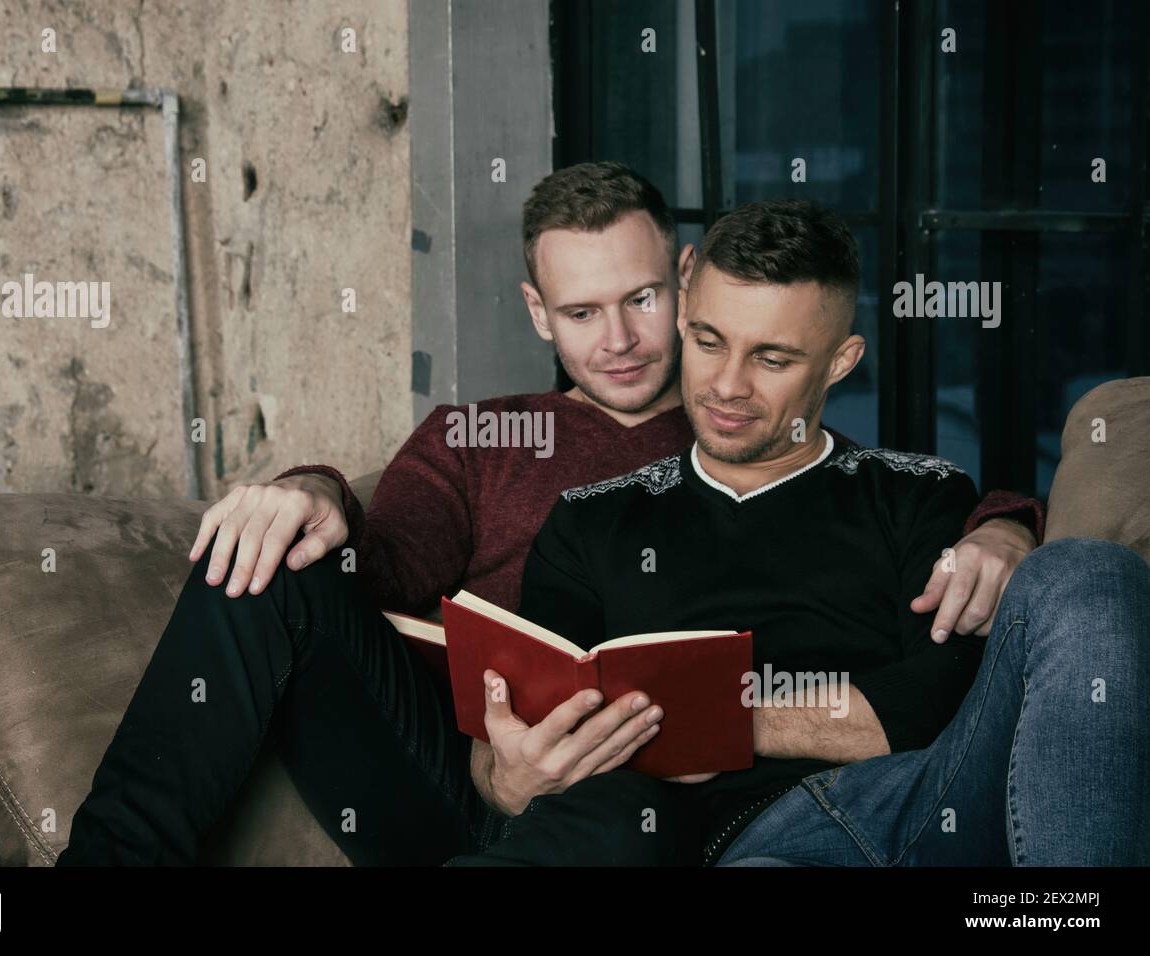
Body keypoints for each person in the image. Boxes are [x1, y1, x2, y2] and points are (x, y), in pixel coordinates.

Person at [58, 169, 1043, 866]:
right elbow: (380, 578)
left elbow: (887, 505)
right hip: (454, 779)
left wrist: (1004, 524)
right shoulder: (478, 437)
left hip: (638, 802)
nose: (616, 341)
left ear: (689, 277)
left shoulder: (752, 427)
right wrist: (310, 490)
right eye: (580, 313)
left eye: (643, 299)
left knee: (634, 791)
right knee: (269, 563)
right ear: (537, 311)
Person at [444, 199, 1149, 866]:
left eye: (771, 359)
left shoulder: (918, 492)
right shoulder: (590, 519)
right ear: (684, 316)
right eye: (708, 341)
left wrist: (722, 724)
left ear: (840, 362)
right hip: (702, 836)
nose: (726, 385)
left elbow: (936, 697)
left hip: (899, 803)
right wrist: (510, 773)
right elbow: (528, 708)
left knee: (1090, 571)